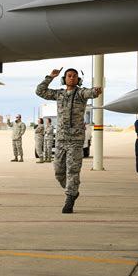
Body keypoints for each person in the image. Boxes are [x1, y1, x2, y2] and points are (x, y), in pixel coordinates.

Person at [36, 67, 102, 213]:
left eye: (74, 76)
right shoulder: (59, 94)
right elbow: (39, 91)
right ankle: (72, 189)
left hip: (75, 140)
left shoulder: (80, 93)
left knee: (72, 170)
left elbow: (91, 92)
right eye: (69, 76)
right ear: (64, 79)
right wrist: (50, 77)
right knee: (59, 172)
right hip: (60, 139)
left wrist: (96, 90)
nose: (71, 78)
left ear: (78, 80)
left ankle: (70, 198)